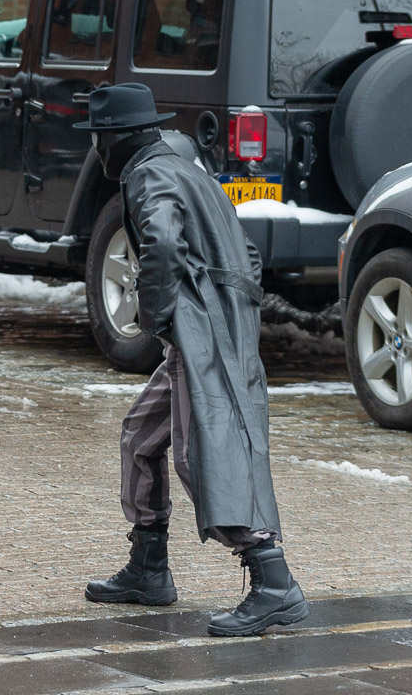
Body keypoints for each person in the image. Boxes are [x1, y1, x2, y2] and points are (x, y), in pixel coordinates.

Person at [77, 83, 308, 637]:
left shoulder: (148, 174)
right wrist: (231, 306)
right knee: (141, 436)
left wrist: (159, 316)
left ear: (117, 138)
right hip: (208, 327)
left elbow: (162, 244)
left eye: (99, 137)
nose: (96, 148)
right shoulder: (185, 168)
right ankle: (148, 569)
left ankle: (273, 581)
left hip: (200, 331)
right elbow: (246, 251)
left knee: (198, 452)